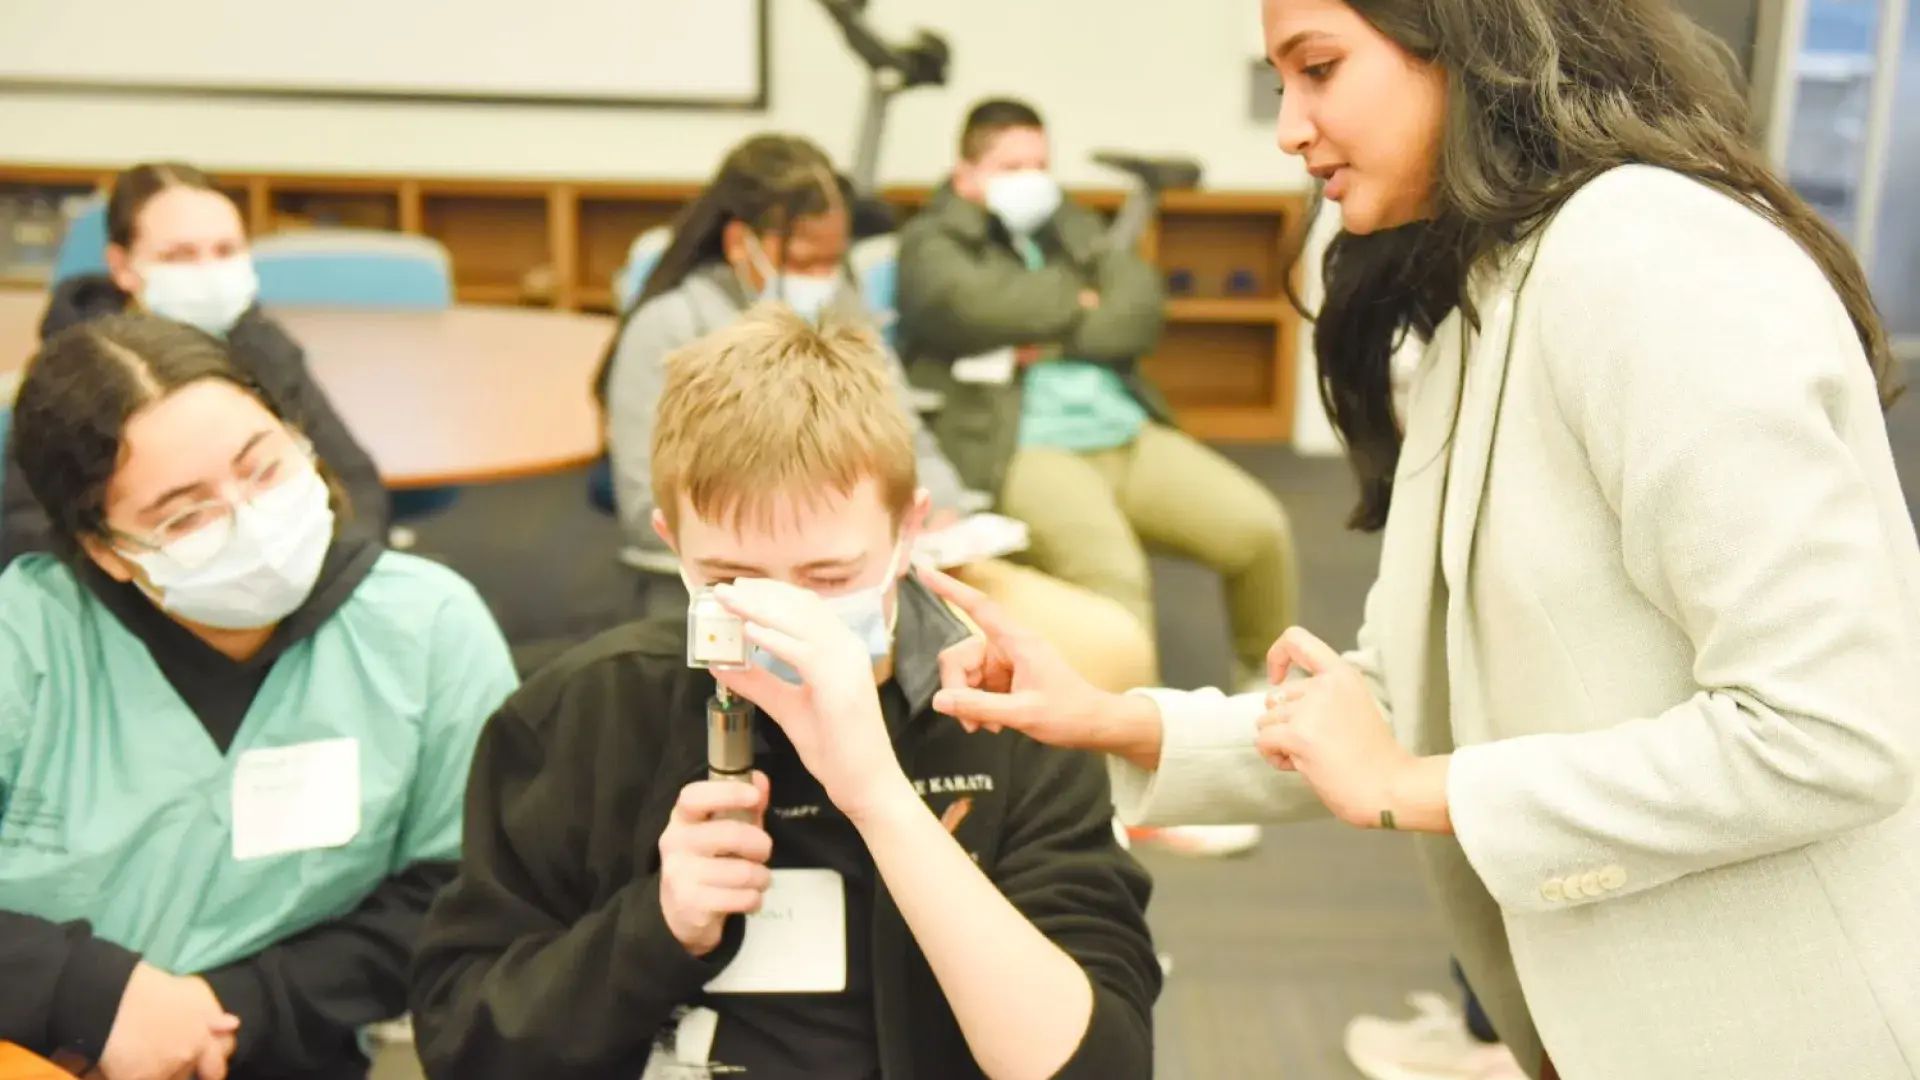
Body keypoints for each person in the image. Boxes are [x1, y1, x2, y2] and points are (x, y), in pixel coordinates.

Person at [921, 0, 1920, 1077]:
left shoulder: (1651, 258)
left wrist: (1413, 788)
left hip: (1781, 1025)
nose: (1289, 129)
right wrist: (1114, 718)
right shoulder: (1484, 301)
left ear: (1470, 42)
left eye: (1318, 69)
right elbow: (1403, 701)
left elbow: (1831, 733)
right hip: (1602, 1011)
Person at [410, 306, 1160, 1080]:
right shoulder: (578, 716)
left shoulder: (1012, 722)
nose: (783, 617)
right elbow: (464, 1042)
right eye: (735, 580)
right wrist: (655, 927)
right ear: (673, 546)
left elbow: (1099, 1068)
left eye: (828, 578)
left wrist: (880, 800)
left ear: (909, 529)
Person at [0, 314, 516, 1080]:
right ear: (106, 551)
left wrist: (222, 1011)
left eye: (263, 467)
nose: (249, 520)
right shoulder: (26, 640)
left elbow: (461, 895)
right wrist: (94, 995)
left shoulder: (428, 629)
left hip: (286, 1048)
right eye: (185, 513)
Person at [594, 131, 1158, 697]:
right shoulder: (668, 328)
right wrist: (827, 549)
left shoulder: (841, 310)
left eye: (833, 262)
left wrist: (946, 514)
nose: (822, 279)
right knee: (1005, 670)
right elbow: (647, 503)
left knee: (1115, 646)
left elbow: (904, 427)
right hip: (801, 582)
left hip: (885, 564)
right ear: (743, 243)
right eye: (804, 261)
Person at [893, 97, 1300, 694]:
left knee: (1260, 531)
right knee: (1117, 580)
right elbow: (965, 306)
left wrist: (1042, 333)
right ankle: (1136, 744)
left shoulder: (1065, 223)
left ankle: (1265, 699)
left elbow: (1138, 306)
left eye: (1040, 164)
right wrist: (1079, 301)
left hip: (1124, 431)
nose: (1032, 180)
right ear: (966, 175)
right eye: (1011, 166)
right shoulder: (932, 240)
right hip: (1027, 446)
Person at [2, 161, 389, 569]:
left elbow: (356, 484)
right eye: (180, 255)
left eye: (225, 251)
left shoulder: (261, 343)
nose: (208, 271)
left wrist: (334, 579)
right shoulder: (76, 375)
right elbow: (28, 531)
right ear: (122, 266)